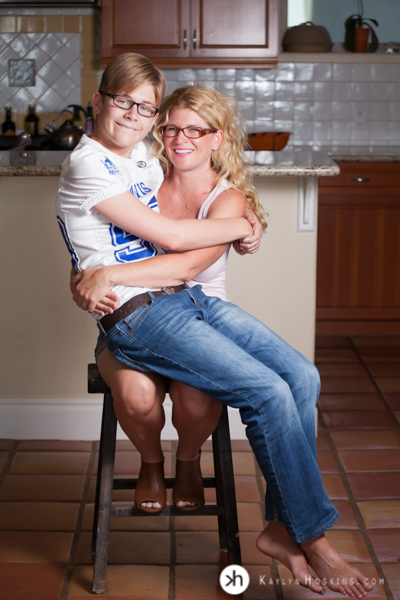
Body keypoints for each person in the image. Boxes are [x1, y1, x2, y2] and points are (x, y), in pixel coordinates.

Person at [56, 53, 373, 598]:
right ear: (98, 102)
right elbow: (172, 240)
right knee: (268, 392)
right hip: (140, 316)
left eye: (146, 108)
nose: (135, 115)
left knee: (302, 378)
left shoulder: (140, 161)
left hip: (182, 300)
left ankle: (280, 525)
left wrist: (245, 223)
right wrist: (93, 275)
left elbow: (112, 238)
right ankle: (314, 539)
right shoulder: (89, 163)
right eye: (124, 102)